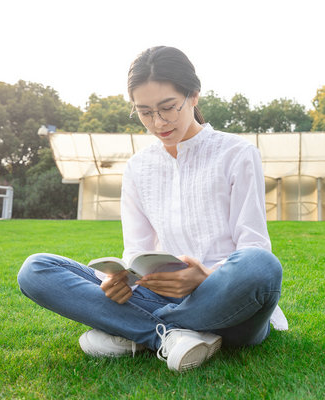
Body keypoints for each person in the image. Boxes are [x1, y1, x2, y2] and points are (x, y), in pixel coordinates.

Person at [17, 46, 287, 372]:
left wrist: (204, 277)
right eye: (144, 112)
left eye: (168, 108)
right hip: (159, 294)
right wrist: (119, 280)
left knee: (261, 266)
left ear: (194, 96)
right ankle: (167, 336)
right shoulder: (137, 168)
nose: (158, 122)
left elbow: (254, 246)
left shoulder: (237, 153)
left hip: (226, 298)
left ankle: (134, 331)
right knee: (36, 270)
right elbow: (136, 253)